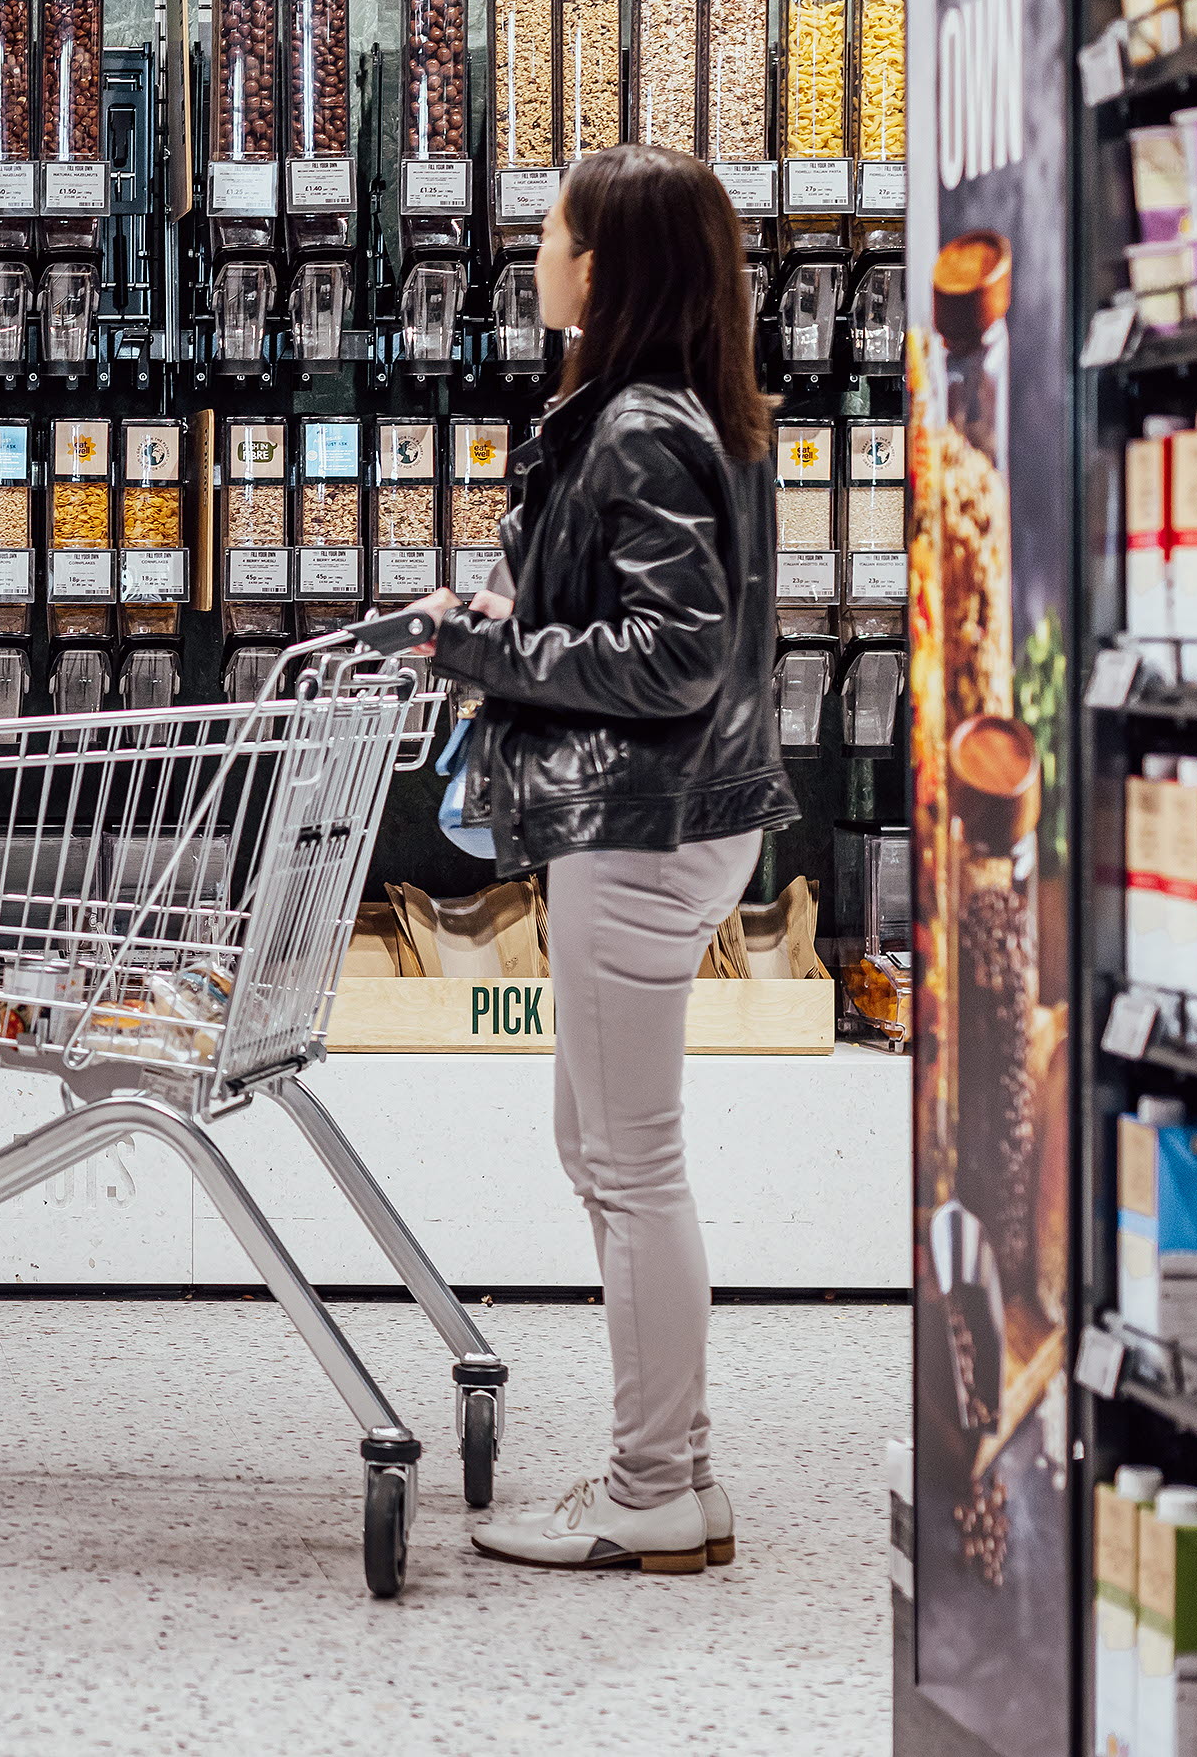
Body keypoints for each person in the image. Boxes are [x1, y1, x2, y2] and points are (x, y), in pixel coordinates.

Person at [408, 140, 794, 1576]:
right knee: (607, 1149)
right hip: (658, 814)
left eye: (558, 232)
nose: (539, 253)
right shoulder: (658, 412)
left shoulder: (641, 422)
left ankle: (653, 1489)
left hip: (645, 821)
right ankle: (674, 1470)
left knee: (631, 1163)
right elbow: (635, 611)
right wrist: (500, 609)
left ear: (610, 264)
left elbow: (671, 657)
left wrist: (483, 646)